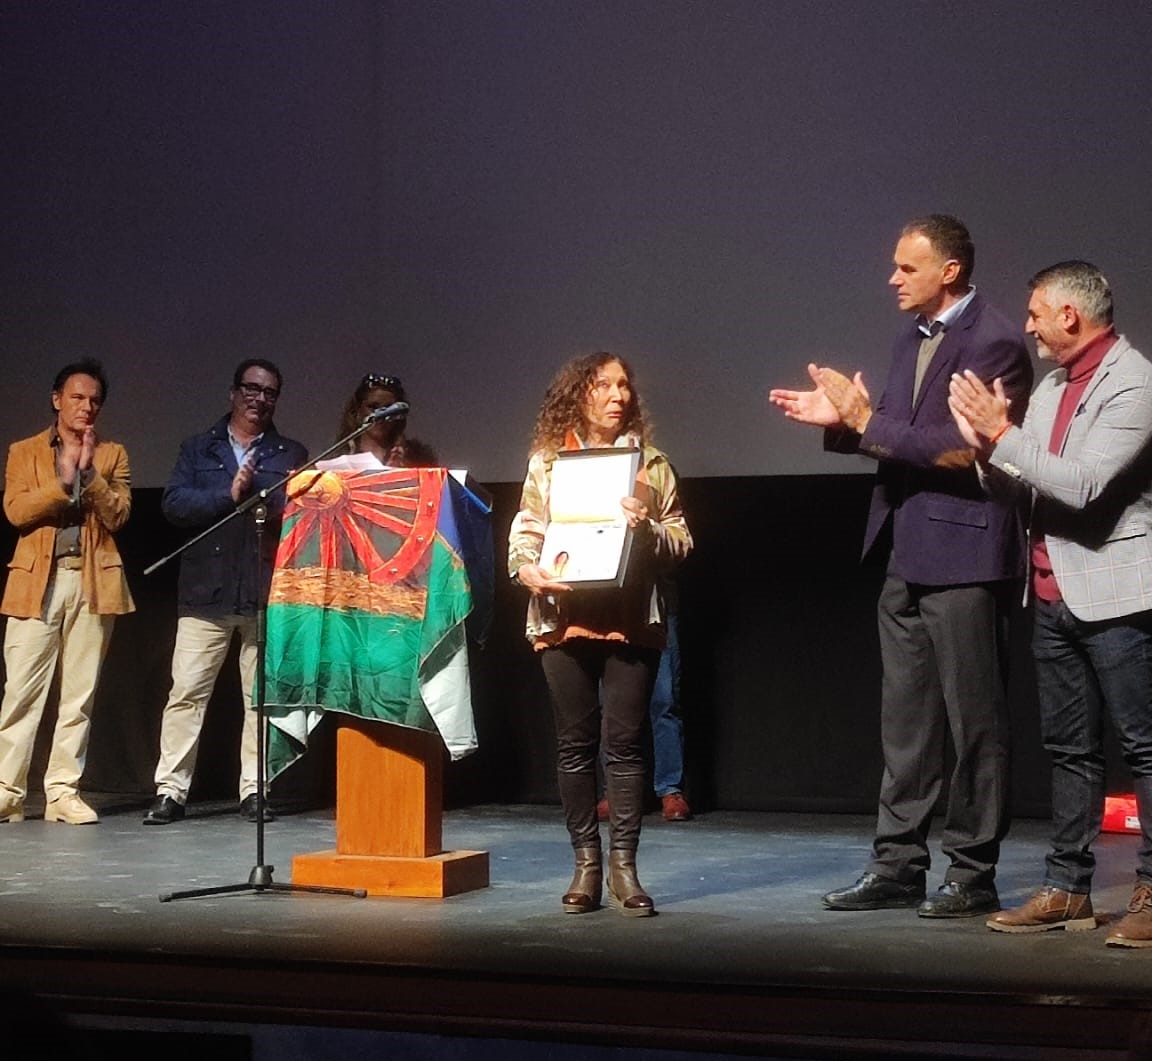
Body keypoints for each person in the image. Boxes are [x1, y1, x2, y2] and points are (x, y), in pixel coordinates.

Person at [769, 214, 1033, 917]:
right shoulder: (908, 338)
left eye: (906, 267)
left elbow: (959, 448)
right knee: (906, 722)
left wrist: (867, 423)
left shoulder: (996, 340)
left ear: (949, 270)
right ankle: (897, 864)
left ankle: (972, 871)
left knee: (975, 722)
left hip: (966, 551)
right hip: (905, 548)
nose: (892, 278)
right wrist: (842, 422)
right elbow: (893, 432)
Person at [949, 261, 1152, 946]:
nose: (1028, 326)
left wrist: (1004, 437)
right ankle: (1067, 888)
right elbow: (1022, 482)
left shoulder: (1134, 382)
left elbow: (1083, 485)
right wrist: (987, 450)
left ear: (1070, 314)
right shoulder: (1053, 386)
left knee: (1145, 747)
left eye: (1036, 313)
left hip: (1117, 596)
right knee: (1069, 750)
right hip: (1050, 593)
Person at [509, 352, 692, 915]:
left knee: (626, 746)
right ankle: (586, 865)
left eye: (624, 385)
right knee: (574, 745)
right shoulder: (549, 463)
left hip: (629, 620)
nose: (618, 395)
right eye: (604, 385)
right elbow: (527, 529)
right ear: (578, 394)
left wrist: (648, 529)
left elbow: (681, 539)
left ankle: (624, 868)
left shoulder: (651, 465)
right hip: (564, 617)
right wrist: (526, 569)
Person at [143, 359, 307, 825]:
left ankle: (255, 790)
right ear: (233, 392)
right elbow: (175, 504)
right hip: (206, 591)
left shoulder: (290, 453)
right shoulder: (199, 448)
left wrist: (274, 500)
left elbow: (300, 514)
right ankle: (171, 790)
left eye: (270, 392)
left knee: (260, 698)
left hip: (263, 590)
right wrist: (227, 495)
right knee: (187, 693)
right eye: (252, 389)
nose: (260, 399)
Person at [0, 359, 134, 825]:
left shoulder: (112, 454)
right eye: (77, 397)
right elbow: (17, 511)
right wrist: (61, 482)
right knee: (21, 691)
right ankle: (7, 791)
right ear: (57, 399)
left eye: (94, 400)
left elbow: (118, 515)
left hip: (93, 581)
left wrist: (90, 474)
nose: (86, 406)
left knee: (79, 696)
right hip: (37, 581)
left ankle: (62, 791)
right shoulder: (24, 451)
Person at [336, 373, 438, 467]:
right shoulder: (339, 456)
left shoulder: (417, 456)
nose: (381, 415)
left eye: (389, 408)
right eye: (373, 407)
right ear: (357, 410)